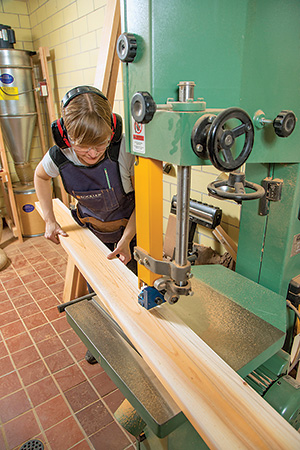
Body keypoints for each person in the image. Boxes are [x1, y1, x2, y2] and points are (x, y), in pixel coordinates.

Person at [34, 85, 136, 363]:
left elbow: (143, 204)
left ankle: (134, 343)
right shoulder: (59, 156)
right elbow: (40, 177)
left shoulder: (124, 151)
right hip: (91, 234)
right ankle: (103, 342)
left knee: (131, 292)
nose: (92, 154)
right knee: (97, 291)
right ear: (65, 137)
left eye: (100, 145)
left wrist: (126, 240)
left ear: (111, 132)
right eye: (83, 147)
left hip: (128, 234)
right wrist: (49, 219)